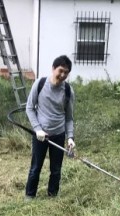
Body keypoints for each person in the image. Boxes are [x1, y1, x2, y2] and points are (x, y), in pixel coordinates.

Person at [24, 55, 75, 199]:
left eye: (66, 72)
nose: (63, 75)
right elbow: (29, 108)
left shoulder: (68, 90)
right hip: (40, 135)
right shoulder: (40, 84)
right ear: (53, 69)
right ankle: (29, 196)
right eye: (60, 71)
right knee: (35, 168)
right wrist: (37, 129)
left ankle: (52, 196)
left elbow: (69, 118)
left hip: (58, 134)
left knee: (56, 169)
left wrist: (70, 138)